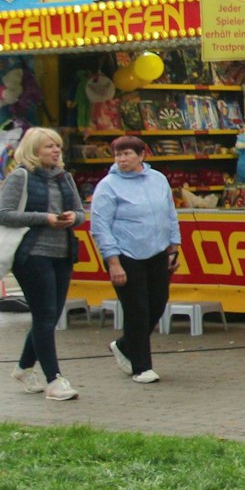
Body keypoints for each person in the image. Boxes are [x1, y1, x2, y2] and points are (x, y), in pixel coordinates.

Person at [3, 127, 85, 400]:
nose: (56, 150)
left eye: (57, 146)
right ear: (34, 149)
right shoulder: (21, 176)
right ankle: (54, 380)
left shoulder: (65, 177)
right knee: (46, 316)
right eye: (49, 146)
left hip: (63, 253)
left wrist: (73, 217)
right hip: (32, 254)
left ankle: (25, 367)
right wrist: (45, 218)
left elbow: (81, 213)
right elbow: (4, 213)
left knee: (48, 315)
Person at [91, 136, 180, 384]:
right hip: (126, 254)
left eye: (127, 154)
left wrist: (174, 247)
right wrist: (113, 261)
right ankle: (142, 366)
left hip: (158, 251)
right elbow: (100, 226)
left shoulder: (158, 179)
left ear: (142, 155)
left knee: (158, 303)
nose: (122, 159)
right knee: (137, 309)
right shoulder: (108, 186)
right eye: (118, 155)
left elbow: (170, 213)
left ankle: (124, 345)